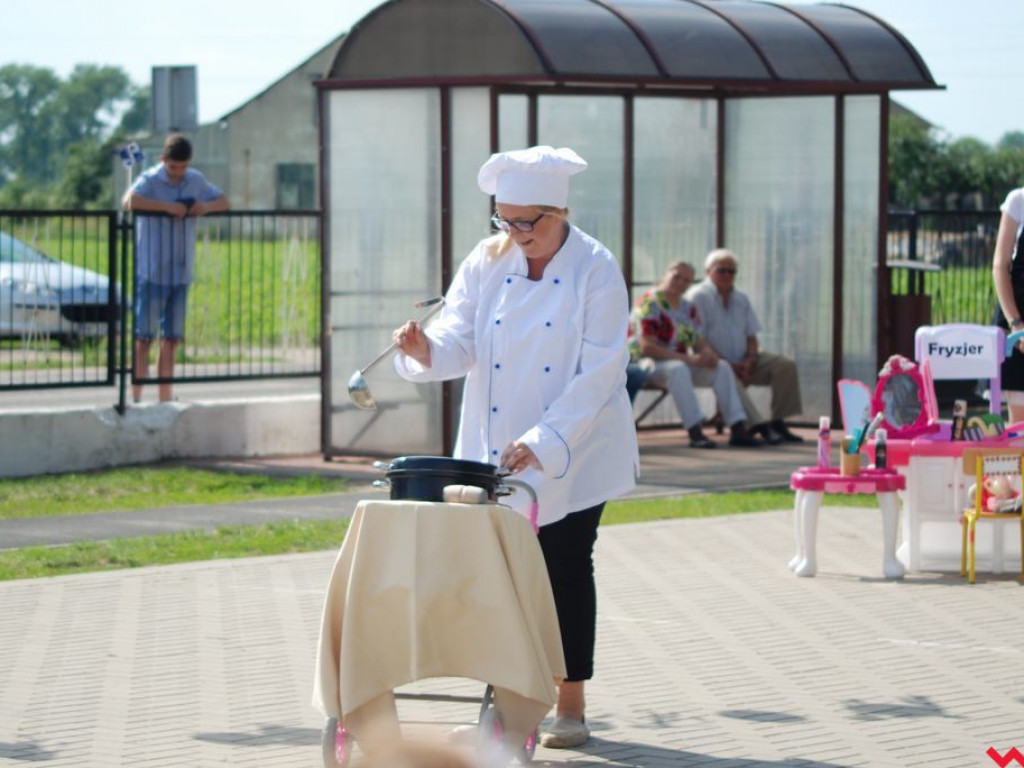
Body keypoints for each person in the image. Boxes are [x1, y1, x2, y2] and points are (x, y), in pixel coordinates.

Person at [392, 146, 639, 750]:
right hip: (496, 448)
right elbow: (459, 336)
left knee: (563, 567)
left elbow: (602, 370)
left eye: (530, 221)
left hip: (579, 448)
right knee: (494, 574)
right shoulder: (489, 257)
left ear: (561, 210)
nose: (517, 233)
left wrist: (545, 439)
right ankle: (501, 708)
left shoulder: (595, 268)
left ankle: (571, 704)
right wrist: (426, 351)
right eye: (506, 219)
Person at [122, 133, 230, 403]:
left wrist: (204, 207)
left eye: (182, 168)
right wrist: (168, 207)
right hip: (153, 270)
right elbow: (129, 201)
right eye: (173, 168)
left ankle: (165, 399)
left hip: (181, 272)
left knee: (171, 340)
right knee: (143, 338)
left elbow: (225, 202)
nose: (177, 174)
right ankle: (135, 398)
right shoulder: (149, 179)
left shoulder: (195, 179)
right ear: (163, 160)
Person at [629, 261, 762, 448]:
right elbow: (647, 348)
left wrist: (708, 354)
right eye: (677, 277)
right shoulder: (648, 303)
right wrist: (689, 359)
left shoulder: (686, 307)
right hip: (647, 365)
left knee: (721, 368)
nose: (681, 283)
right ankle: (695, 431)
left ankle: (738, 427)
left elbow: (698, 340)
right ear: (666, 274)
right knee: (678, 369)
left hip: (680, 363)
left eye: (687, 281)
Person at [685, 248, 805, 444]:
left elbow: (751, 335)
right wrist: (730, 364)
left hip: (744, 359)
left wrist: (750, 359)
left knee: (785, 366)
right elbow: (699, 341)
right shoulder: (697, 297)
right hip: (713, 362)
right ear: (708, 271)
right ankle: (754, 425)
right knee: (726, 372)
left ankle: (778, 421)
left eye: (731, 271)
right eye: (721, 270)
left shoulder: (741, 299)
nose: (726, 275)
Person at [992, 184, 1024, 422]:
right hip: (1018, 315)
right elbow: (1000, 266)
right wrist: (1016, 325)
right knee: (1020, 425)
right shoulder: (1018, 200)